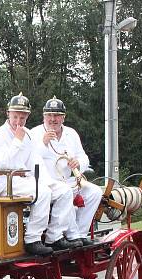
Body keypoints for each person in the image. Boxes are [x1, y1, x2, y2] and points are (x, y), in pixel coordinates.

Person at [0, 93, 77, 255]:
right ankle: (32, 239)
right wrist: (17, 141)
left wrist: (46, 181)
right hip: (6, 181)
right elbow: (3, 163)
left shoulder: (27, 134)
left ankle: (54, 236)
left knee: (64, 191)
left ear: (27, 116)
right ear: (8, 114)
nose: (18, 122)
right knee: (42, 193)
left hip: (26, 181)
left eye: (22, 118)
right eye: (15, 117)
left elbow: (35, 161)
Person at [30, 96, 102, 245]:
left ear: (63, 117)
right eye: (49, 115)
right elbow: (29, 160)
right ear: (43, 116)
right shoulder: (35, 133)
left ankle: (81, 233)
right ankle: (72, 235)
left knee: (95, 192)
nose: (53, 119)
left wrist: (79, 163)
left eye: (57, 115)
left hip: (69, 180)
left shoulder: (71, 133)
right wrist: (43, 143)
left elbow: (83, 156)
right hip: (46, 183)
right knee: (65, 192)